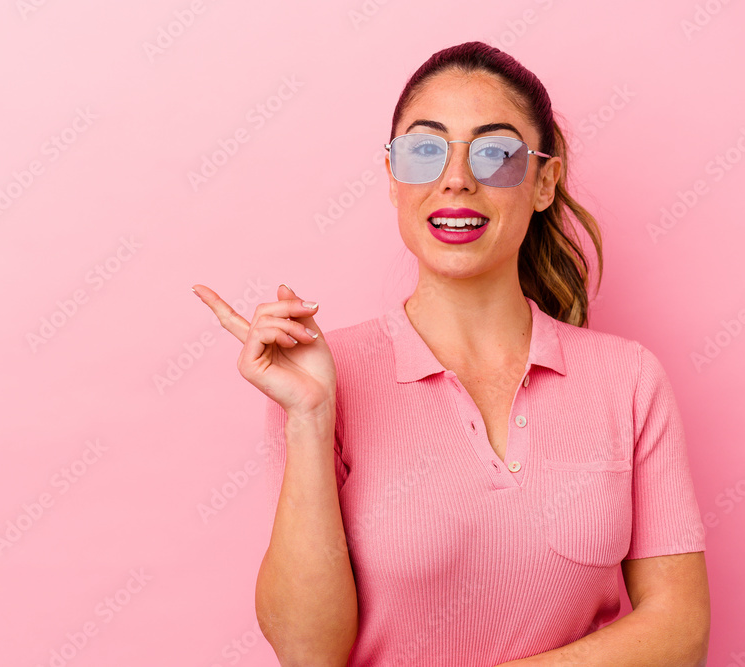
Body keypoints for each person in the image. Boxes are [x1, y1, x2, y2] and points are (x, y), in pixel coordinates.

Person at [192, 40, 709, 666]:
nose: (456, 178)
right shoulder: (325, 377)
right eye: (424, 150)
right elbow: (308, 654)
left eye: (495, 152)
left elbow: (680, 631)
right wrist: (308, 419)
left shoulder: (628, 380)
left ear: (543, 181)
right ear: (392, 178)